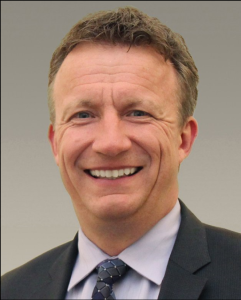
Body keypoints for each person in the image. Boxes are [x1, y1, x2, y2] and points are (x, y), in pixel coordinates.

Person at [1, 6, 241, 300]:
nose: (110, 143)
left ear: (183, 139)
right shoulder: (11, 291)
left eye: (138, 112)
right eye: (83, 115)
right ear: (55, 143)